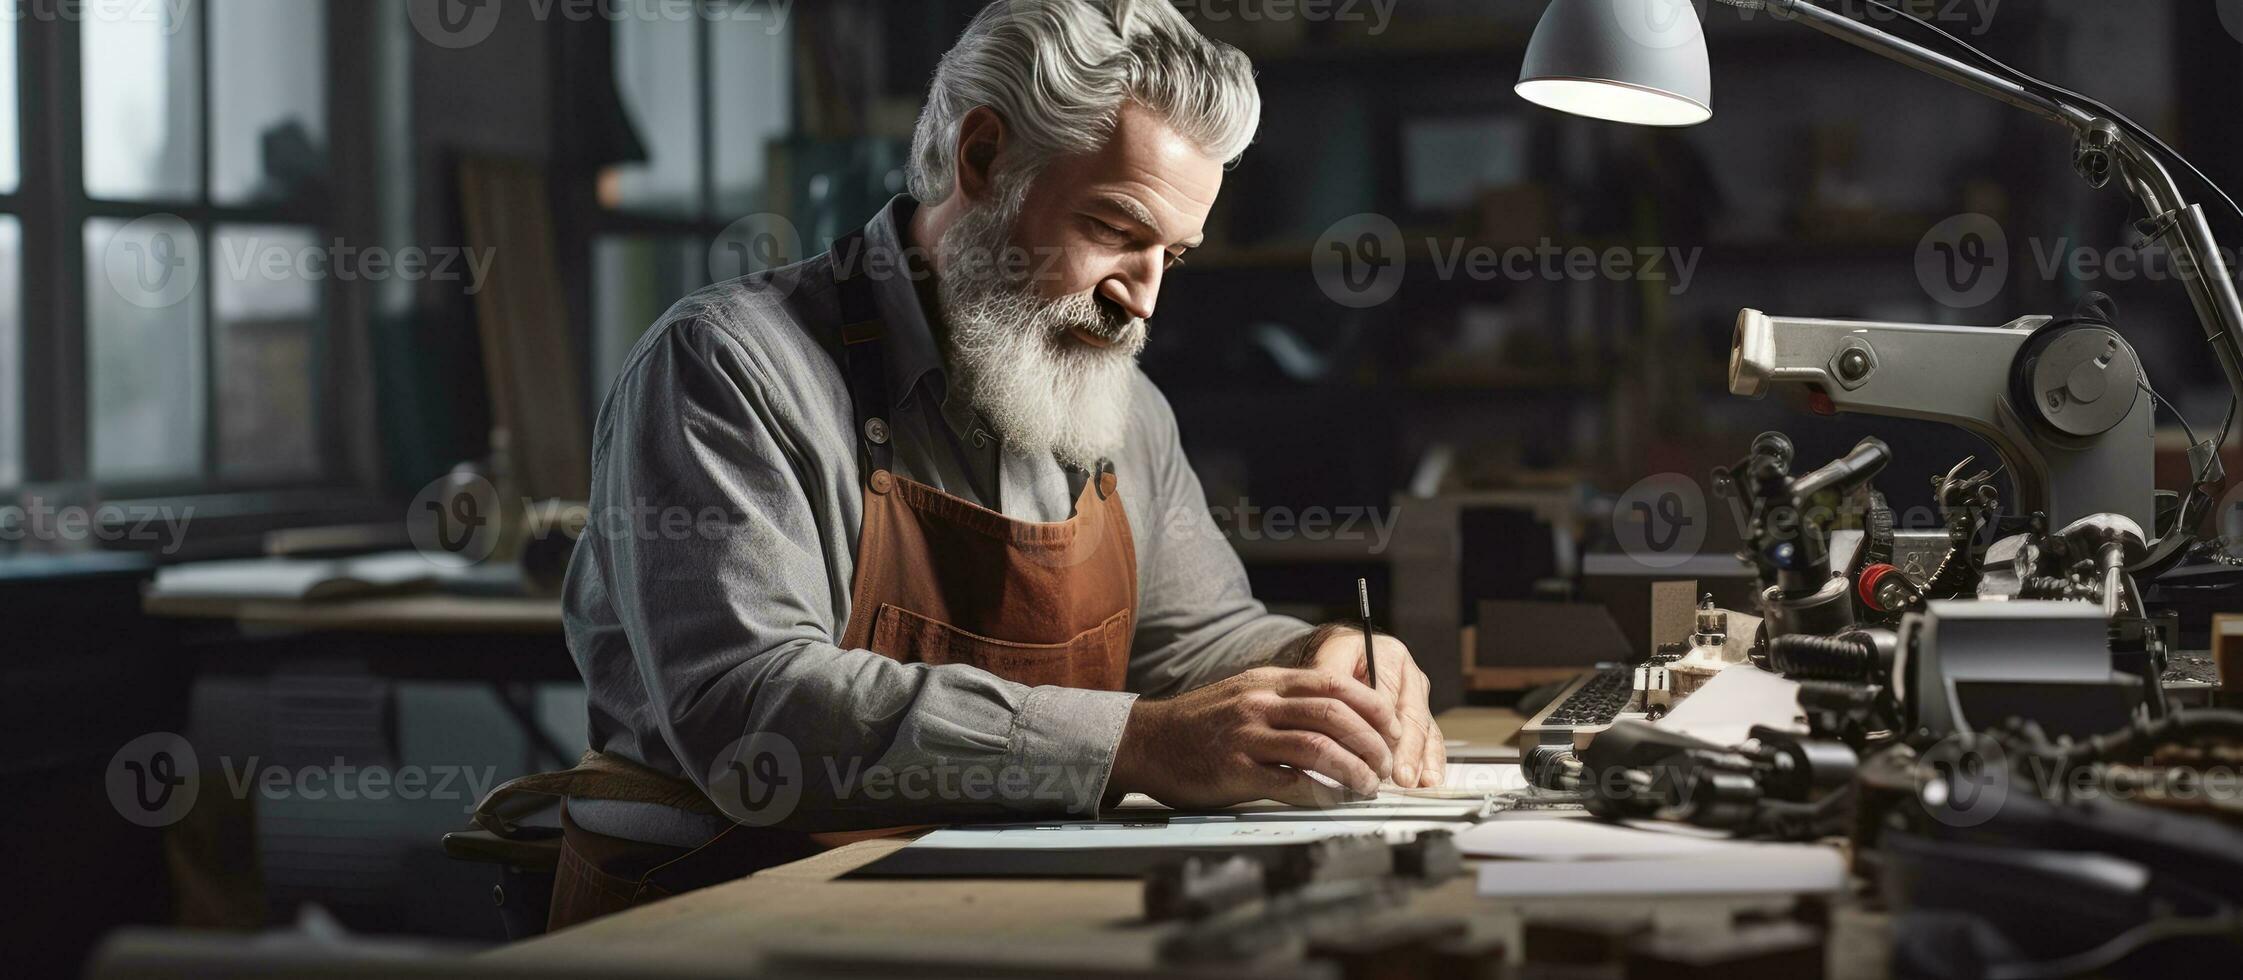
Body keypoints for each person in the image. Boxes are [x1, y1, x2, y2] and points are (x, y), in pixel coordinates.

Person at [477, 0, 1447, 931]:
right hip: (715, 919)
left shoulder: (1120, 406)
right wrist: (1143, 741)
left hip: (985, 918)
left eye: (1172, 255)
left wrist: (1308, 666)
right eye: (1114, 231)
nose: (1143, 303)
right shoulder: (728, 367)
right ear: (981, 158)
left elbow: (1190, 639)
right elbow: (751, 709)